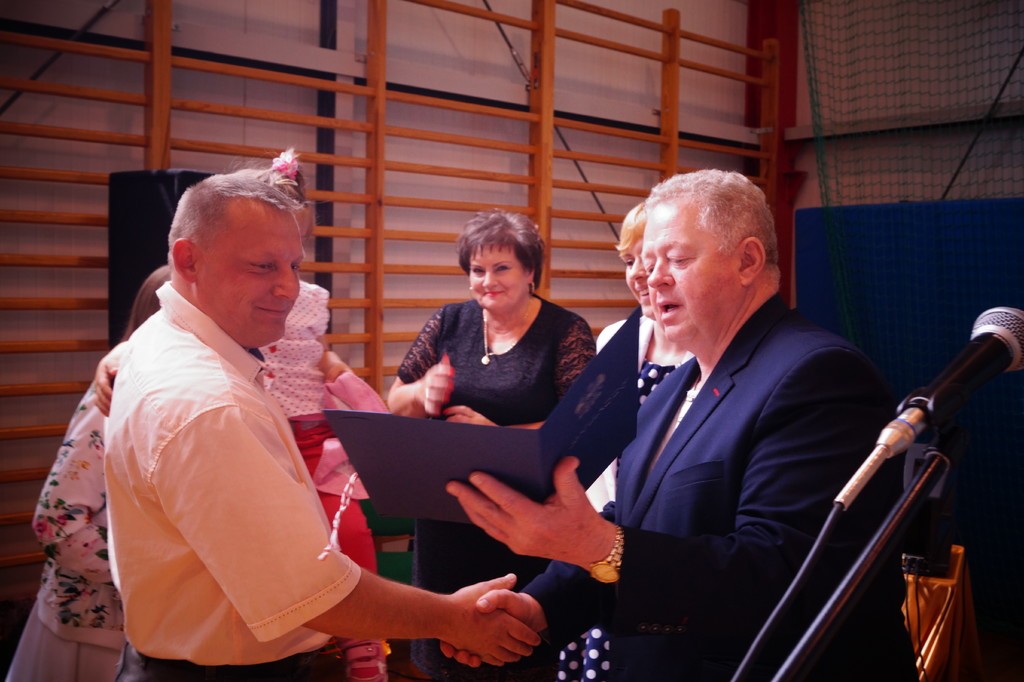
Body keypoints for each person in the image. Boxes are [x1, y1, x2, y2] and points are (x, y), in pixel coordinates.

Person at [446, 170, 918, 680]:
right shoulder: (672, 387)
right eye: (648, 263)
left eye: (677, 259)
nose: (652, 279)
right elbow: (631, 520)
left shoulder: (817, 374)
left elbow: (781, 573)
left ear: (748, 261)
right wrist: (539, 608)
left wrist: (594, 543)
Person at [103, 169, 539, 681]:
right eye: (263, 265)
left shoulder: (164, 339)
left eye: (294, 264)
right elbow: (309, 593)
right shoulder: (210, 403)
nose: (289, 288)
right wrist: (452, 619)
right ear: (187, 260)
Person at [385, 209, 596, 681]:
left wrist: (495, 434)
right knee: (444, 655)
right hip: (445, 520)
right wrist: (421, 392)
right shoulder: (449, 321)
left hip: (525, 521)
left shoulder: (564, 331)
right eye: (477, 270)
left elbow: (580, 428)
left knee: (517, 657)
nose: (487, 281)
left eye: (502, 268)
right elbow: (395, 403)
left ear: (530, 272)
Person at [254, 149, 387, 681]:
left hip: (313, 437)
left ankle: (366, 643)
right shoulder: (235, 297)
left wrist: (353, 391)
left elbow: (318, 354)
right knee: (277, 544)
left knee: (349, 531)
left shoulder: (310, 297)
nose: (289, 263)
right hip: (263, 438)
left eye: (298, 247)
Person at [5, 265, 169, 682]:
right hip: (92, 630)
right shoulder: (111, 399)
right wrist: (159, 567)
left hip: (146, 626)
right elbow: (57, 526)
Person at [560, 203, 691, 682]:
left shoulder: (704, 347)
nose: (640, 274)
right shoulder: (616, 336)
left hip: (657, 545)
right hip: (601, 530)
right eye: (630, 260)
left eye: (651, 259)